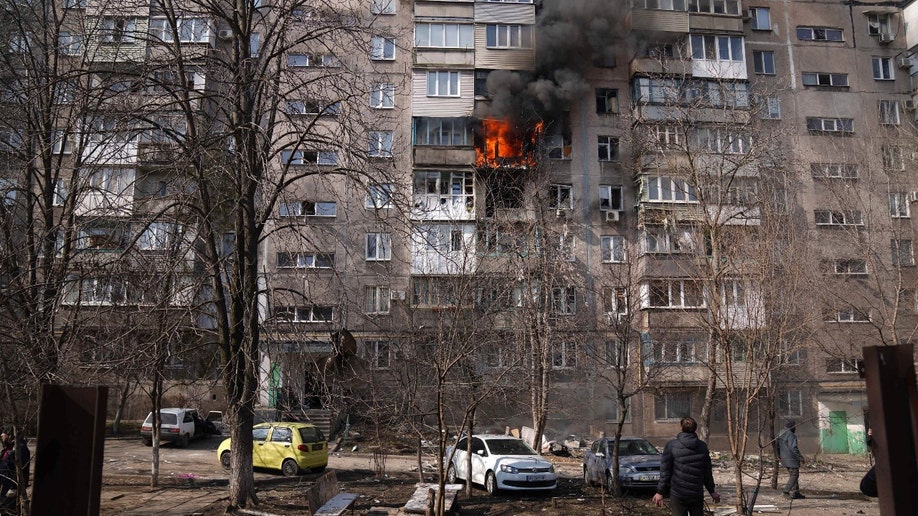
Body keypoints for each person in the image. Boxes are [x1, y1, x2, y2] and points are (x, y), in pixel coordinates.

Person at [652, 416, 721, 516]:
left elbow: (665, 472)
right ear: (695, 428)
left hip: (678, 493)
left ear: (681, 427)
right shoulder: (702, 446)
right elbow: (707, 471)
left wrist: (660, 492)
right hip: (696, 493)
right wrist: (712, 491)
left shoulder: (672, 445)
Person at [777, 419, 805, 499]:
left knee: (793, 474)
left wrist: (778, 455)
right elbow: (794, 448)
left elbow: (776, 445)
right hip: (791, 459)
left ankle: (796, 493)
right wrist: (800, 457)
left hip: (784, 458)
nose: (795, 428)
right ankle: (785, 491)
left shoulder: (780, 433)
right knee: (794, 475)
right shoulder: (791, 435)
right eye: (794, 426)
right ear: (792, 427)